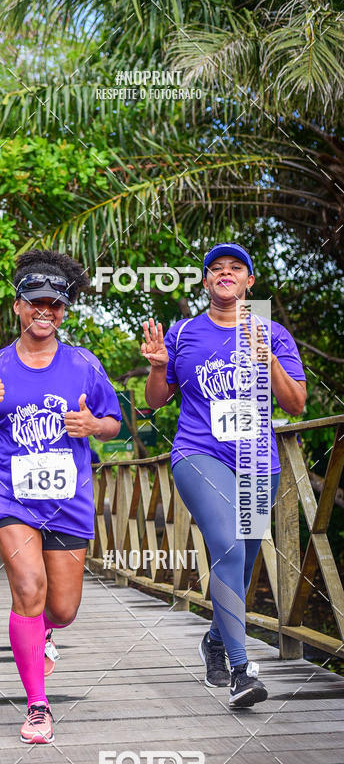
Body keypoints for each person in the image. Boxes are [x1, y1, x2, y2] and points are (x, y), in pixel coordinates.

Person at [0, 249, 122, 743]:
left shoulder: (84, 364)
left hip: (69, 499)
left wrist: (93, 425)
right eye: (35, 302)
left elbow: (114, 424)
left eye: (55, 304)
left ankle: (42, 631)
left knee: (62, 609)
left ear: (64, 310)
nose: (44, 311)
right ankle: (37, 706)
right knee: (29, 589)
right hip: (10, 495)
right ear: (18, 306)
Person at [141, 242, 306, 708]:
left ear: (249, 281)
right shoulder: (183, 333)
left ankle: (215, 640)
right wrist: (158, 367)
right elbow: (155, 401)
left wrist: (268, 359)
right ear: (206, 281)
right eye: (216, 268)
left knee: (243, 562)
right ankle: (240, 669)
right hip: (199, 452)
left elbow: (296, 404)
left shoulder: (272, 332)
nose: (225, 273)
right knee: (229, 546)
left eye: (236, 267)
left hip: (257, 460)